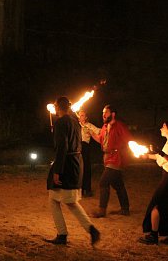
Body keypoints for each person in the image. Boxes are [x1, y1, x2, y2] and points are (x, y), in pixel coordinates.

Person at [45, 97, 100, 246]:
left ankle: (63, 234)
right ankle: (89, 230)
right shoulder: (75, 121)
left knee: (58, 199)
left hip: (67, 165)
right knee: (67, 200)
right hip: (76, 162)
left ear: (57, 107)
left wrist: (57, 171)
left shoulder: (62, 122)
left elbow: (62, 147)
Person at [138, 121, 168, 245]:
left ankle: (153, 236)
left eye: (163, 126)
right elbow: (161, 157)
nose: (161, 128)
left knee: (155, 205)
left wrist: (159, 151)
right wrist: (147, 156)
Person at [91, 104, 131, 218]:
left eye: (106, 112)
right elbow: (101, 140)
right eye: (102, 112)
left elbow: (129, 140)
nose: (103, 114)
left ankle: (102, 210)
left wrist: (123, 152)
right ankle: (125, 209)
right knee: (118, 185)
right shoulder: (104, 127)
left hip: (116, 159)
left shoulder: (120, 126)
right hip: (108, 159)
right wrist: (90, 132)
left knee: (103, 182)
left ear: (113, 114)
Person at [78, 109, 100, 197]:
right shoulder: (75, 125)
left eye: (82, 115)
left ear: (86, 117)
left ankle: (87, 189)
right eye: (79, 115)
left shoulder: (89, 126)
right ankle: (79, 190)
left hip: (85, 147)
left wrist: (107, 129)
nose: (80, 116)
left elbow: (99, 131)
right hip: (76, 148)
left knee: (86, 168)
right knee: (78, 169)